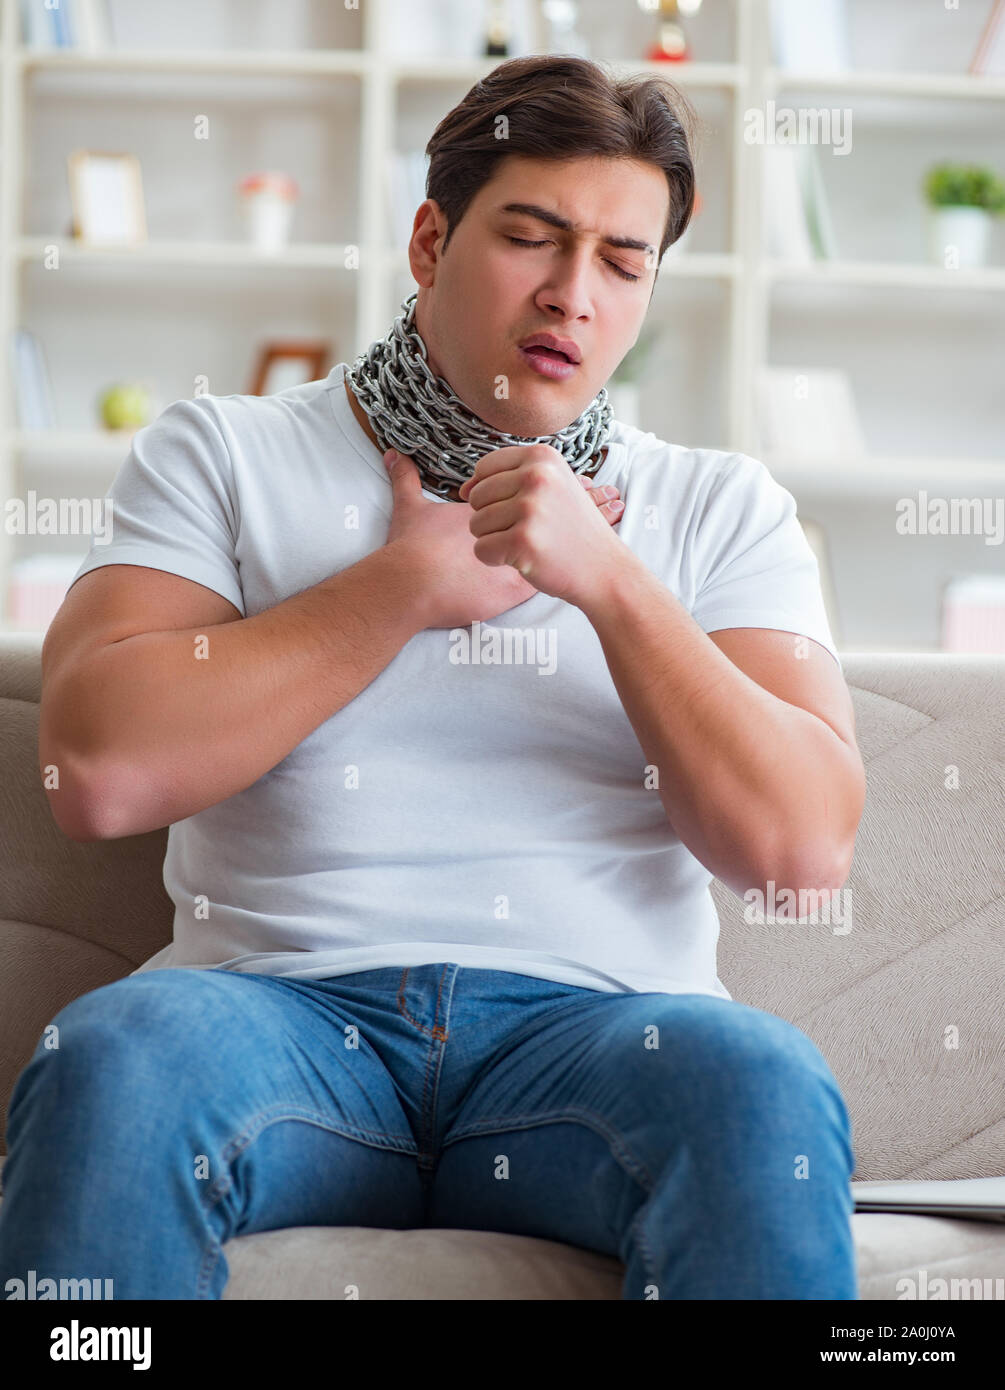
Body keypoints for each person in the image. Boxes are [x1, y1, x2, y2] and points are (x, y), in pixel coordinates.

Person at [0, 55, 866, 1300]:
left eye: (624, 263)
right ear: (429, 238)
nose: (574, 295)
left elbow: (800, 853)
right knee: (108, 1058)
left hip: (600, 1035)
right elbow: (91, 767)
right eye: (532, 238)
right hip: (276, 1016)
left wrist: (613, 586)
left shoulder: (720, 509)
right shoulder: (226, 452)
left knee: (761, 1081)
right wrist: (398, 589)